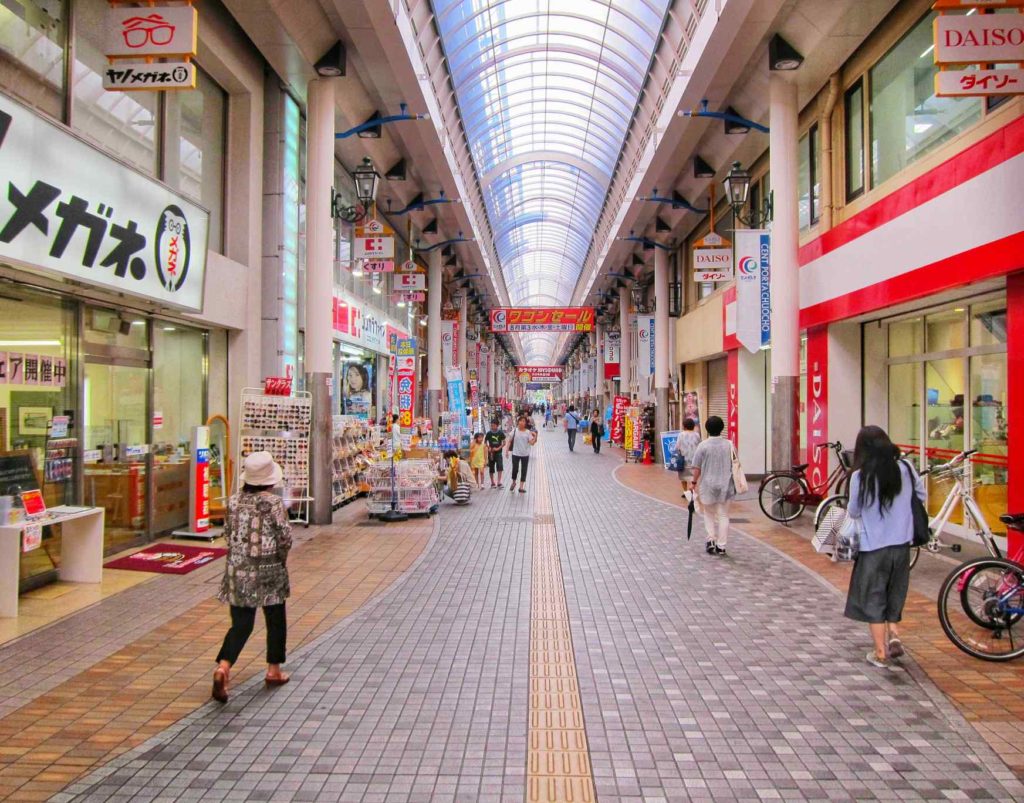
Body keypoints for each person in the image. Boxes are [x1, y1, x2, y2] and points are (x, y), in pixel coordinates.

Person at [212, 451, 292, 703]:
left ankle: (223, 667)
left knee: (242, 624)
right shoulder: (274, 504)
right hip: (269, 570)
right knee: (275, 619)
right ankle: (274, 670)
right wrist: (280, 558)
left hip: (238, 570)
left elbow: (227, 533)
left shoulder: (234, 501)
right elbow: (284, 537)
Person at [844, 425, 924, 670]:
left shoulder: (860, 476)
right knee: (895, 592)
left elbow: (854, 511)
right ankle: (895, 633)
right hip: (902, 545)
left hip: (873, 547)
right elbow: (920, 496)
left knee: (874, 597)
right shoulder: (907, 468)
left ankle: (880, 652)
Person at [690, 416, 736, 556]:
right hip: (726, 485)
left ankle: (711, 539)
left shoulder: (703, 445)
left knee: (709, 513)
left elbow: (696, 467)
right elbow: (735, 463)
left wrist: (693, 482)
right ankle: (721, 546)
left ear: (707, 429)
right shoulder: (729, 445)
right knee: (723, 515)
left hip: (708, 484)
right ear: (722, 428)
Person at [507, 415, 537, 494]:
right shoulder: (514, 431)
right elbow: (509, 441)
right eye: (521, 421)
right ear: (518, 422)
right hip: (515, 453)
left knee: (524, 470)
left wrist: (535, 436)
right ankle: (513, 482)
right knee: (515, 469)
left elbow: (532, 443)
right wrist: (506, 451)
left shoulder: (528, 432)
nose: (522, 422)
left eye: (524, 421)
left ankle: (521, 487)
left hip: (525, 454)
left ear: (526, 423)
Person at [674, 419, 702, 494]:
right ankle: (691, 490)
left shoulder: (681, 434)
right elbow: (699, 445)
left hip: (684, 459)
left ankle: (685, 491)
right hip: (694, 459)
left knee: (683, 477)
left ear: (684, 426)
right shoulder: (697, 434)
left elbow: (677, 446)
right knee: (693, 476)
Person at [484, 419, 506, 488]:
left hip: (499, 453)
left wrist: (498, 448)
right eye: (491, 425)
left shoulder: (500, 433)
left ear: (497, 425)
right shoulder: (489, 433)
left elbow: (504, 442)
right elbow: (485, 442)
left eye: (493, 425)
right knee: (491, 468)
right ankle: (492, 482)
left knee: (500, 467)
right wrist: (488, 447)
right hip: (491, 453)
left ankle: (499, 482)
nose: (492, 427)